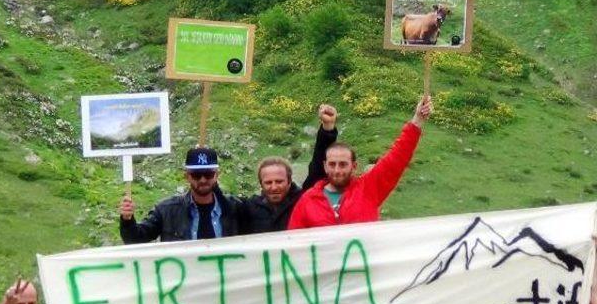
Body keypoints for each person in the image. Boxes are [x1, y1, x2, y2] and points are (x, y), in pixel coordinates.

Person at [288, 96, 432, 229]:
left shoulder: (368, 189)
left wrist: (418, 120)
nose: (337, 170)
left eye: (343, 164)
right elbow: (292, 245)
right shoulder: (307, 200)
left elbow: (396, 159)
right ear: (325, 166)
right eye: (332, 164)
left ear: (354, 166)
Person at [240, 104, 338, 234]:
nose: (274, 187)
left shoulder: (303, 200)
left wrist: (327, 129)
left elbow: (318, 169)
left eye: (279, 181)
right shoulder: (249, 208)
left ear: (289, 180)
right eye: (268, 182)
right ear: (260, 184)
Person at [120, 147, 242, 242]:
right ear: (186, 176)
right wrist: (127, 220)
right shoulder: (166, 211)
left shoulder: (236, 209)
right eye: (196, 175)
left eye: (208, 174)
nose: (203, 180)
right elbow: (135, 239)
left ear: (217, 175)